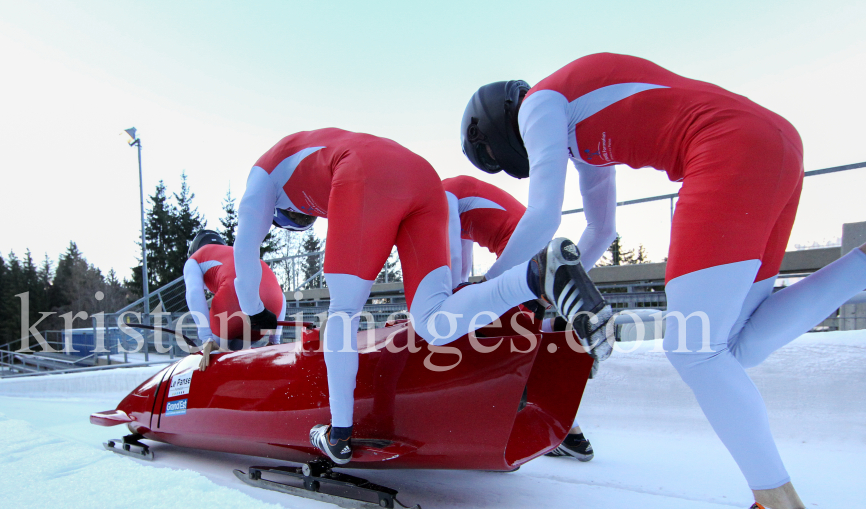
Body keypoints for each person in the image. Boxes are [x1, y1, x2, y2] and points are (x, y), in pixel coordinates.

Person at [461, 52, 866, 509]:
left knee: (694, 347)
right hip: (772, 141)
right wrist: (545, 288)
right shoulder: (579, 132)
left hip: (725, 148)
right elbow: (601, 229)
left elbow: (543, 217)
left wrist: (488, 295)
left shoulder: (540, 104)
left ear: (496, 130)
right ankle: (862, 264)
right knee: (735, 347)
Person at [233, 128, 614, 465]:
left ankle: (339, 435)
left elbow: (244, 253)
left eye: (294, 218)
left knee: (344, 310)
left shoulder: (262, 174)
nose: (301, 219)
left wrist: (254, 311)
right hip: (423, 175)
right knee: (433, 320)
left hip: (361, 169)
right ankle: (534, 277)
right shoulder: (304, 150)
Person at [444, 174, 595, 461]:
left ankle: (561, 427)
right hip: (537, 251)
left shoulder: (441, 195)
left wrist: (455, 301)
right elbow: (460, 269)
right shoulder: (455, 193)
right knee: (519, 334)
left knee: (504, 337)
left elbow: (451, 262)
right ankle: (555, 330)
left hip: (527, 255)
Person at [184, 230, 286, 369]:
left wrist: (206, 337)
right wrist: (275, 339)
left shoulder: (195, 259)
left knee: (214, 361)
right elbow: (279, 294)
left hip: (233, 299)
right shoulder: (237, 253)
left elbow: (193, 292)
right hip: (270, 306)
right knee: (240, 363)